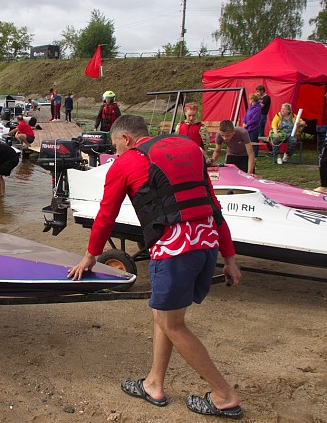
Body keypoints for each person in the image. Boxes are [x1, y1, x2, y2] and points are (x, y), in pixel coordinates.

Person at [68, 115, 243, 419]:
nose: (116, 152)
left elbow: (106, 216)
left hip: (175, 251)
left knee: (172, 323)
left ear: (126, 139)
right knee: (162, 315)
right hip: (207, 245)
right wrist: (229, 258)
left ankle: (224, 395)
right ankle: (154, 384)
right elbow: (213, 206)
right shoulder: (190, 149)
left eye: (115, 145)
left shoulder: (126, 163)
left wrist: (91, 256)